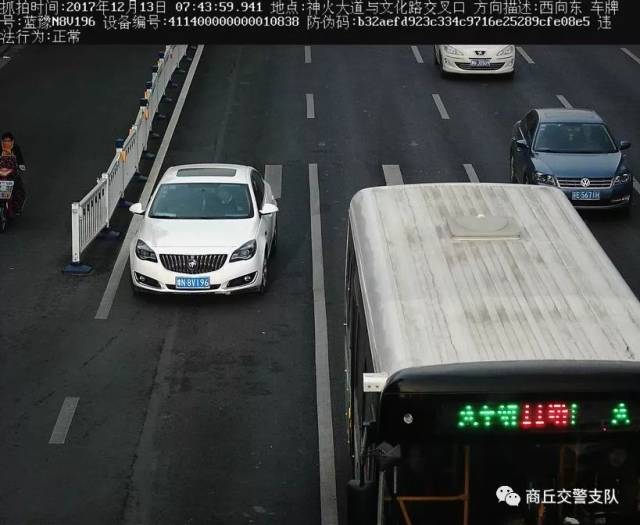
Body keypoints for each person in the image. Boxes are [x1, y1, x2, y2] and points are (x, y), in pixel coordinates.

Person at [0, 132, 26, 213]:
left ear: (12, 141)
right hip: (0, 173)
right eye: (5, 141)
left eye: (8, 141)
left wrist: (21, 165)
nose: (6, 142)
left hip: (12, 173)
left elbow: (20, 159)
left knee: (19, 189)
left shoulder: (15, 148)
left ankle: (17, 208)